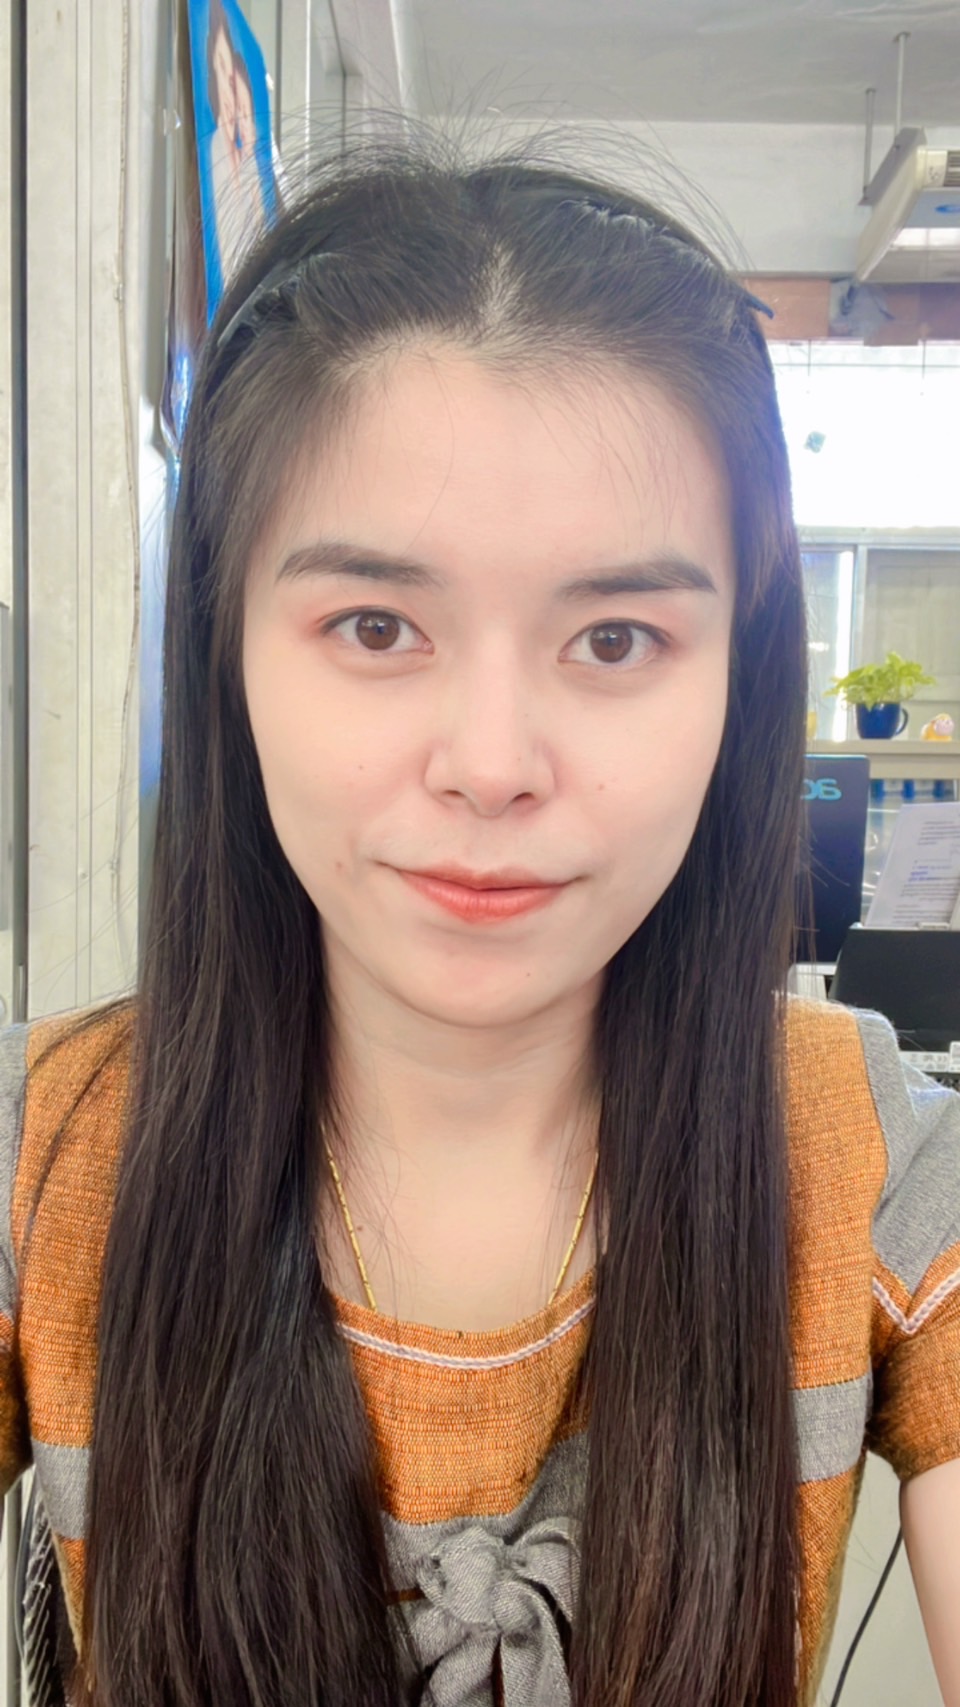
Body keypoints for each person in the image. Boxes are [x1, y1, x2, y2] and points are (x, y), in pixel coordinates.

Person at [1, 135, 958, 1707]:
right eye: (377, 626)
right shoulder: (44, 1155)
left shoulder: (872, 1161)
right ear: (228, 653)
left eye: (617, 637)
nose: (495, 763)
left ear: (740, 672)